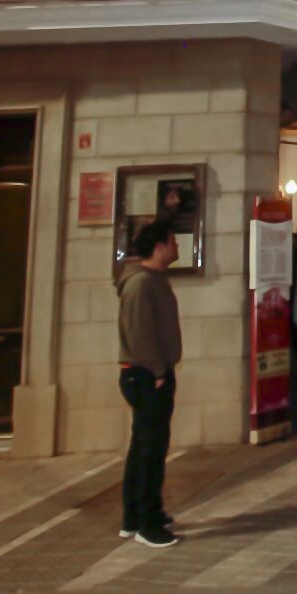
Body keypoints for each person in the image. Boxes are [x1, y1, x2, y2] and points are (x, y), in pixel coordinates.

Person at [116, 221, 183, 549]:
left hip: (149, 374)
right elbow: (141, 333)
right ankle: (146, 522)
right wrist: (158, 372)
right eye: (173, 241)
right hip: (146, 375)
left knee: (146, 445)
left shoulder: (152, 279)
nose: (177, 246)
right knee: (150, 448)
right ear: (159, 246)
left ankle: (138, 514)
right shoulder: (141, 283)